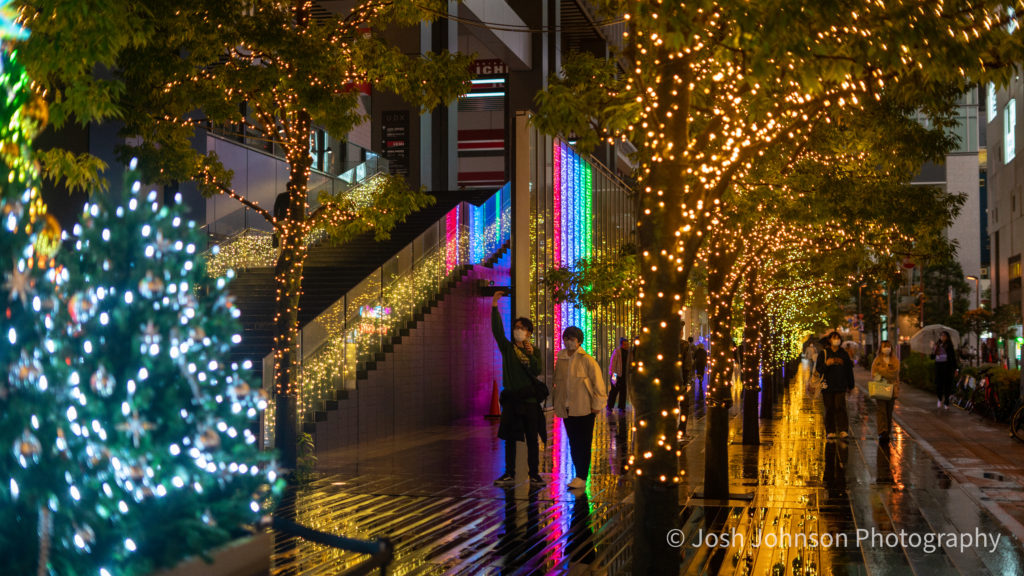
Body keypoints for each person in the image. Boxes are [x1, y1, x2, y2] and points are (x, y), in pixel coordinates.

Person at [491, 291, 546, 485]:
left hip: (529, 401)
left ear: (529, 333)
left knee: (532, 438)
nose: (518, 331)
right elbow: (497, 332)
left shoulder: (534, 351)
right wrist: (495, 305)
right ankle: (509, 473)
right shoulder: (508, 348)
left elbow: (537, 370)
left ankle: (534, 473)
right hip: (512, 400)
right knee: (510, 438)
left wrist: (531, 355)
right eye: (516, 328)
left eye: (522, 328)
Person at [552, 326, 608, 490]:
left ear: (579, 341)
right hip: (567, 410)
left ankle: (582, 475)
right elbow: (558, 384)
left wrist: (597, 406)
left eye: (572, 339)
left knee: (583, 444)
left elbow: (598, 384)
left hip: (585, 409)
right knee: (574, 442)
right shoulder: (561, 359)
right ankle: (579, 474)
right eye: (566, 338)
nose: (568, 342)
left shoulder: (587, 360)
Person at [815, 331, 854, 440]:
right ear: (830, 340)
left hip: (841, 385)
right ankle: (830, 430)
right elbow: (819, 369)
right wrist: (827, 364)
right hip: (827, 385)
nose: (836, 339)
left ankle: (843, 430)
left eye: (838, 338)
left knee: (840, 406)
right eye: (834, 337)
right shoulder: (824, 353)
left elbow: (849, 370)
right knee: (829, 408)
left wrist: (851, 385)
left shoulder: (843, 353)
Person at [870, 341, 900, 441]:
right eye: (884, 346)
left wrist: (882, 371)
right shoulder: (877, 360)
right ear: (880, 348)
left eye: (888, 346)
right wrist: (886, 371)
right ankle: (882, 431)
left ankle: (887, 431)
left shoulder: (895, 360)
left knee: (889, 411)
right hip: (880, 387)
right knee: (881, 410)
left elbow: (894, 374)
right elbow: (874, 374)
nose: (886, 348)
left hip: (892, 389)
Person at [931, 331, 958, 410]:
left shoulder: (949, 346)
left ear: (947, 337)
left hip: (947, 368)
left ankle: (946, 403)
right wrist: (934, 350)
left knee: (947, 386)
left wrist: (956, 369)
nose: (942, 337)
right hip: (939, 368)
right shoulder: (937, 345)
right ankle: (939, 398)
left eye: (944, 335)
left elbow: (953, 358)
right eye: (941, 335)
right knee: (939, 385)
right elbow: (932, 357)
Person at [607, 337, 630, 410]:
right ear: (621, 345)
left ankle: (622, 407)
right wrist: (613, 377)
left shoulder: (629, 352)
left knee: (623, 392)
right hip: (616, 374)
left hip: (624, 375)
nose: (627, 346)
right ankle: (610, 406)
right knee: (614, 391)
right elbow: (613, 364)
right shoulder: (617, 351)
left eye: (627, 344)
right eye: (625, 344)